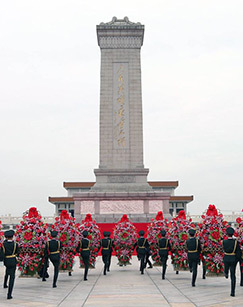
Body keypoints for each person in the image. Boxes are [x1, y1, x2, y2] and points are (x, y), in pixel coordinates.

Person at [0, 230, 19, 300]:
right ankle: (9, 294)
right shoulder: (15, 244)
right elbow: (17, 252)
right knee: (12, 277)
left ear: (6, 237)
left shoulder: (3, 245)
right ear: (12, 236)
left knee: (7, 271)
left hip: (7, 261)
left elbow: (1, 256)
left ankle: (5, 284)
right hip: (13, 260)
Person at [222, 226, 241, 297]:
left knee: (226, 268)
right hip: (233, 258)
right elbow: (238, 252)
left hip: (226, 257)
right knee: (233, 275)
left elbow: (223, 250)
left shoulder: (224, 242)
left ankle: (226, 273)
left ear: (226, 234)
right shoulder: (236, 242)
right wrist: (238, 259)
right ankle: (232, 292)